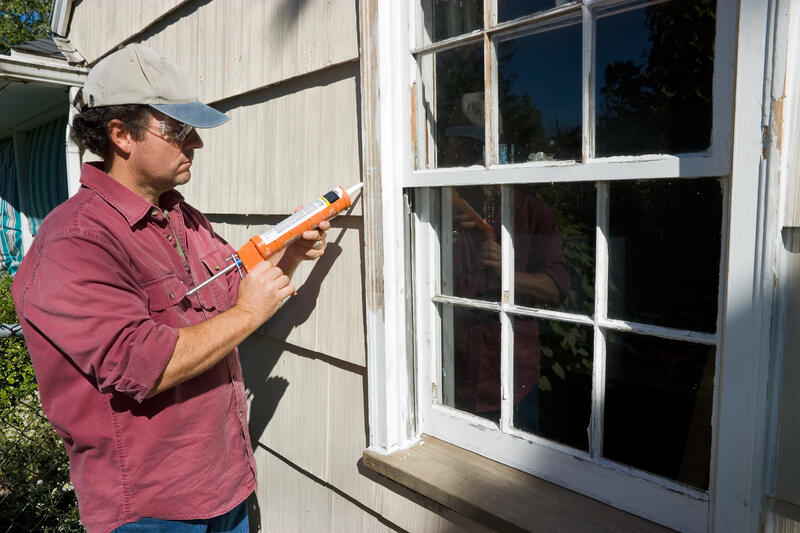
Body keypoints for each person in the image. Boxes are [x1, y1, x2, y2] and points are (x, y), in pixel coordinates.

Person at [11, 44, 329, 533]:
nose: (196, 142)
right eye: (178, 129)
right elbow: (144, 365)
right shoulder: (74, 242)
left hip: (226, 487)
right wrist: (249, 314)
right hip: (152, 510)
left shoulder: (180, 217)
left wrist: (287, 257)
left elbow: (229, 295)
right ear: (121, 136)